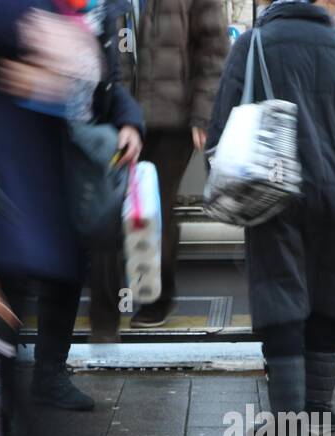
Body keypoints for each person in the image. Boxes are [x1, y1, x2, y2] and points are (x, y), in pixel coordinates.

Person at [0, 0, 144, 414]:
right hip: (13, 156)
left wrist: (130, 120)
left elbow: (109, 83)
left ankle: (48, 375)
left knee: (66, 268)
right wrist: (38, 71)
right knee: (8, 272)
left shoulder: (100, 10)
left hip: (75, 160)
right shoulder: (23, 9)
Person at [206, 0, 335, 436]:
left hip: (273, 189)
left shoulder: (253, 44)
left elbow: (220, 128)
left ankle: (289, 426)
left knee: (281, 293)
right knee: (329, 293)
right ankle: (317, 414)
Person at [87, 0, 229, 335]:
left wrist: (202, 114)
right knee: (106, 207)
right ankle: (106, 306)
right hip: (115, 117)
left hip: (171, 119)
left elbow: (213, 48)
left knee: (156, 208)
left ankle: (156, 298)